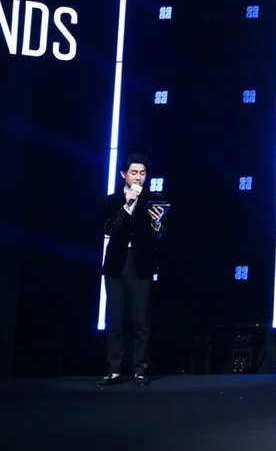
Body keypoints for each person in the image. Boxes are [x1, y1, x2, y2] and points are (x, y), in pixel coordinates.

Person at [97, 154, 167, 388]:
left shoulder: (154, 200)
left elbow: (162, 235)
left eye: (142, 173)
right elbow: (108, 228)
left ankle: (140, 370)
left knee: (140, 321)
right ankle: (114, 370)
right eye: (134, 172)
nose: (138, 177)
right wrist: (126, 205)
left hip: (141, 263)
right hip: (116, 263)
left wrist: (157, 222)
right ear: (123, 174)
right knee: (114, 320)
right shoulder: (112, 200)